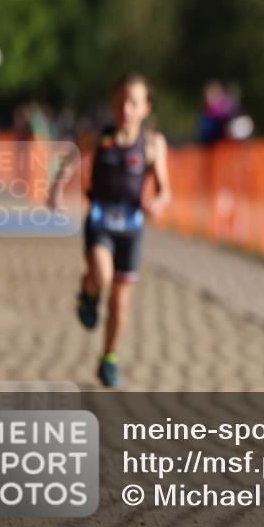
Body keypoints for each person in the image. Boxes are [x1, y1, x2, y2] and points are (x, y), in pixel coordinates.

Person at [48, 74, 171, 388]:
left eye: (133, 102)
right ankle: (88, 293)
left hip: (131, 228)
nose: (125, 108)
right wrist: (56, 190)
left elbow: (164, 189)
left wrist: (158, 202)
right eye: (119, 102)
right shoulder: (99, 137)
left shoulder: (153, 144)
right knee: (101, 275)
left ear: (145, 107)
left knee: (119, 300)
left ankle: (109, 357)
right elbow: (71, 157)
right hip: (100, 220)